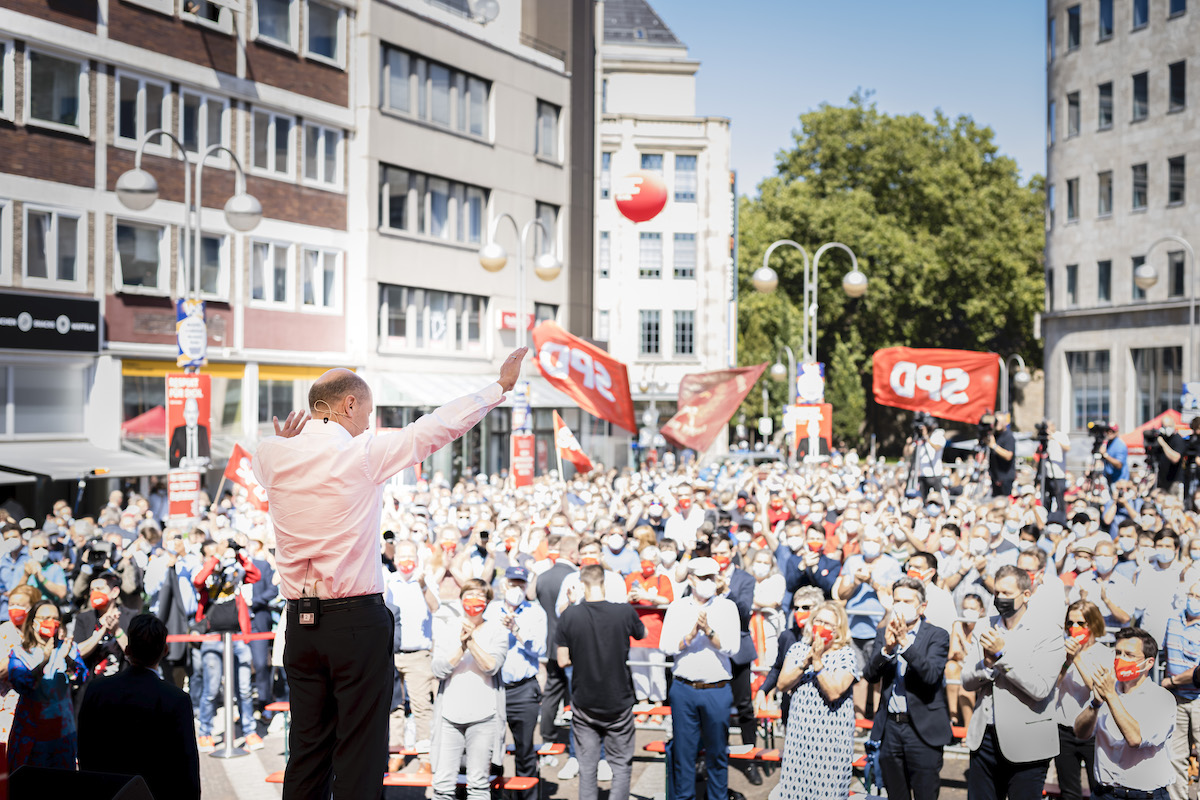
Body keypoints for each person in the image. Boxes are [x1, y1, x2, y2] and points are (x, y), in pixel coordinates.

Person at [252, 354, 521, 798]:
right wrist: (499, 388)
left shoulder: (271, 453)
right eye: (369, 415)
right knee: (359, 751)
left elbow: (266, 464)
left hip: (299, 624)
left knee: (306, 750)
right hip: (354, 621)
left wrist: (282, 443)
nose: (367, 424)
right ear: (350, 404)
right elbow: (434, 429)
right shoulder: (359, 452)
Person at [962, 565, 1065, 800]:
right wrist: (987, 667)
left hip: (1028, 740)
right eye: (997, 593)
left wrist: (1001, 657)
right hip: (985, 736)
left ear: (1026, 595)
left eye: (1007, 594)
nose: (1000, 599)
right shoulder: (984, 625)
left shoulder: (1048, 631)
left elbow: (1040, 688)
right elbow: (967, 680)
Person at [78, 614, 200, 800]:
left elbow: (85, 750)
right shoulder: (176, 699)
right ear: (165, 650)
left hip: (108, 791)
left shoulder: (97, 689)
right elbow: (186, 763)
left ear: (127, 650)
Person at [557, 564, 645, 800]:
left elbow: (563, 660)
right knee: (621, 764)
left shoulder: (570, 615)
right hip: (619, 699)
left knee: (587, 767)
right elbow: (641, 633)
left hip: (584, 699)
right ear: (604, 583)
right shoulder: (624, 612)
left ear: (581, 585)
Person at [659, 557, 740, 800]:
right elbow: (667, 647)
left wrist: (709, 632)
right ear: (692, 579)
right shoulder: (678, 607)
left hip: (717, 689)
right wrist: (691, 635)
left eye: (712, 577)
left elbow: (732, 648)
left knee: (717, 754)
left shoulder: (727, 607)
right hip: (684, 689)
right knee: (684, 755)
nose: (709, 582)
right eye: (704, 578)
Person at [863, 577, 952, 800]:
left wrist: (905, 644)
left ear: (922, 607)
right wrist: (887, 650)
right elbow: (870, 674)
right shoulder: (884, 632)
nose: (901, 605)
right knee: (896, 793)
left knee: (925, 793)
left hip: (922, 730)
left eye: (907, 600)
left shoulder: (937, 635)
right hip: (891, 727)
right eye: (897, 600)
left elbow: (931, 674)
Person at [771, 600, 860, 800]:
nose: (822, 626)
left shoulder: (846, 655)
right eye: (819, 621)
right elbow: (783, 684)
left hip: (830, 742)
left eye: (828, 624)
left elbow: (835, 691)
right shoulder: (798, 649)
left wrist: (818, 662)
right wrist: (805, 661)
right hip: (800, 738)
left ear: (838, 630)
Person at [1074, 627, 1176, 800]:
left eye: (1129, 655)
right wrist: (1095, 703)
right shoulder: (1107, 690)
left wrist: (1111, 697)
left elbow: (1135, 739)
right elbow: (1081, 733)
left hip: (1144, 795)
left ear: (1149, 663)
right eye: (1118, 653)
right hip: (1104, 793)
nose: (1120, 659)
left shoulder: (1162, 699)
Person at [430, 579, 508, 800]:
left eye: (479, 596)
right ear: (460, 598)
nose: (473, 600)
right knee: (442, 785)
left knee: (479, 785)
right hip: (449, 717)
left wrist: (471, 644)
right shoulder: (448, 627)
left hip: (484, 717)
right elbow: (438, 668)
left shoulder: (497, 630)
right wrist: (461, 647)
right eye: (469, 594)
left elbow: (491, 666)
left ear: (489, 601)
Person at [484, 566, 546, 800]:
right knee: (492, 750)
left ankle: (526, 796)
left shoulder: (536, 612)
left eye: (521, 584)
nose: (516, 589)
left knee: (525, 750)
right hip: (494, 687)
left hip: (523, 690)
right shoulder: (491, 610)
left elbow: (541, 648)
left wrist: (518, 632)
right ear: (504, 585)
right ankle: (495, 795)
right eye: (512, 584)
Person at [7, 599, 86, 771]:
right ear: (33, 622)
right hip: (31, 734)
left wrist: (68, 659)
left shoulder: (68, 648)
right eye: (45, 617)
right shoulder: (20, 653)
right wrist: (44, 660)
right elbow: (22, 684)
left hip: (62, 735)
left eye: (55, 618)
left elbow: (81, 677)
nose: (51, 622)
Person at [384, 538, 439, 772]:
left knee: (421, 706)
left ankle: (425, 756)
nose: (406, 560)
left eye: (411, 555)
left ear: (417, 558)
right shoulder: (388, 581)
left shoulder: (425, 580)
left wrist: (424, 585)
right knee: (393, 706)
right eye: (402, 556)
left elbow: (436, 607)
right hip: (392, 654)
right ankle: (395, 752)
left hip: (418, 655)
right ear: (395, 559)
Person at [1054, 600, 1109, 800]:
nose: (1074, 628)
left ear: (1093, 624)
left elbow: (1098, 689)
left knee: (1099, 789)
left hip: (1094, 732)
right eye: (1070, 623)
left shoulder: (1104, 653)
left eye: (1080, 623)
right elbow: (1053, 685)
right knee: (1069, 791)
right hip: (1064, 728)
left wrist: (1077, 659)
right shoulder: (1062, 649)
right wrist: (1066, 663)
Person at [534, 532, 576, 748]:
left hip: (551, 642)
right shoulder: (575, 577)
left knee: (552, 689)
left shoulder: (543, 577)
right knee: (574, 689)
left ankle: (548, 737)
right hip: (570, 643)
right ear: (572, 553)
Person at [761, 586, 822, 728]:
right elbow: (778, 667)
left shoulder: (825, 638)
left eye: (805, 607)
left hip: (818, 704)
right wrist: (763, 690)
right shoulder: (788, 636)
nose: (800, 612)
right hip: (792, 703)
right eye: (797, 608)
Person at [1163, 580, 1200, 800]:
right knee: (1175, 755)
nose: (1193, 600)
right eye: (1191, 595)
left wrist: (1173, 680)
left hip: (1197, 699)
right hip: (1176, 700)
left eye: (1198, 597)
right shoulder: (1173, 620)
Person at [168, 396, 211, 469]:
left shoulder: (203, 431)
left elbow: (209, 456)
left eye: (193, 412)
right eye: (189, 412)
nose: (191, 416)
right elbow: (170, 457)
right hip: (183, 473)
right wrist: (181, 461)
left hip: (200, 473)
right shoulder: (178, 431)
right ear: (184, 414)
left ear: (198, 413)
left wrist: (203, 460)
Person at [1044, 420, 1071, 523]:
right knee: (1047, 498)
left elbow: (1067, 447)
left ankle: (1061, 519)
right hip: (1047, 473)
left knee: (1059, 498)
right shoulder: (1045, 438)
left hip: (1058, 473)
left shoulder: (1060, 435)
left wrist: (1054, 438)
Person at [985, 413, 1017, 498]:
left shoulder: (1008, 436)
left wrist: (994, 446)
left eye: (999, 422)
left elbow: (1008, 456)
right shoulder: (994, 435)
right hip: (995, 476)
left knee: (1004, 503)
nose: (997, 424)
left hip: (1005, 477)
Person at [1099, 425, 1130, 489]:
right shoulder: (1108, 443)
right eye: (1108, 431)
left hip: (1119, 481)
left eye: (1112, 431)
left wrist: (1105, 455)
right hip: (1109, 479)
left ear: (1117, 431)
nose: (1109, 433)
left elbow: (1119, 465)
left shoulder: (1120, 445)